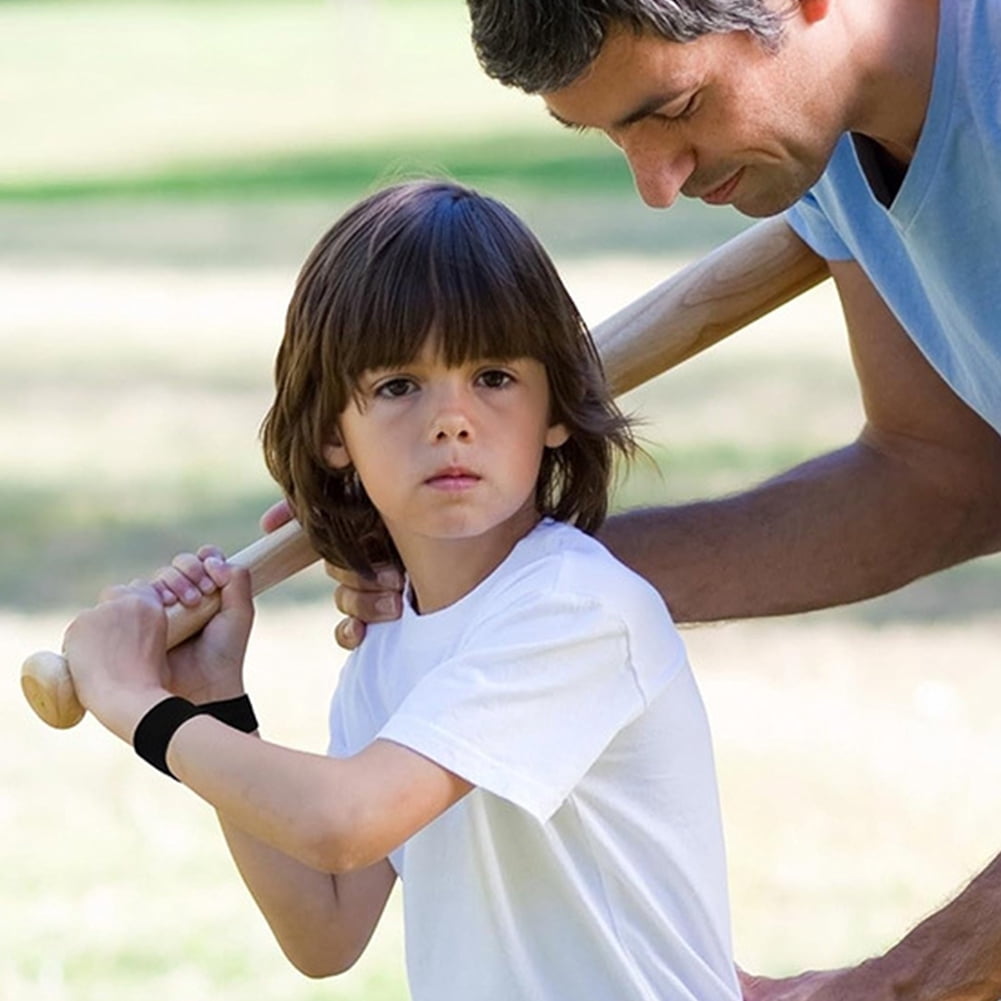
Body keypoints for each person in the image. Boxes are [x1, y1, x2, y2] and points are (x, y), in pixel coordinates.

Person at [297, 3, 1001, 1001]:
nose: (657, 182)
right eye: (615, 134)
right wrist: (504, 573)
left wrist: (913, 981)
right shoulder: (825, 142)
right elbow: (941, 476)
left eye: (672, 107)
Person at [62, 179, 741, 1001]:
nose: (451, 419)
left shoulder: (575, 608)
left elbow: (344, 822)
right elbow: (325, 928)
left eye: (493, 376)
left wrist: (132, 702)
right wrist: (210, 703)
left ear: (555, 409)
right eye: (396, 387)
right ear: (330, 434)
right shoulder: (390, 638)